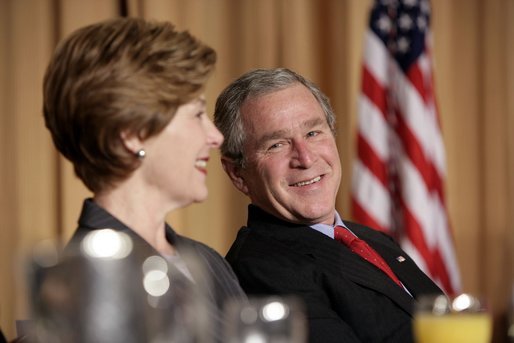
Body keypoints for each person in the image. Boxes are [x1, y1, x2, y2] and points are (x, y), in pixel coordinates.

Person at [42, 17, 245, 341]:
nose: (216, 136)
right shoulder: (89, 283)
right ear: (133, 134)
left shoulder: (207, 261)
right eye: (196, 114)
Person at [214, 68, 443, 342]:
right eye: (276, 144)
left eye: (313, 133)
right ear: (238, 174)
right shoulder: (261, 270)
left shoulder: (372, 240)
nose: (305, 158)